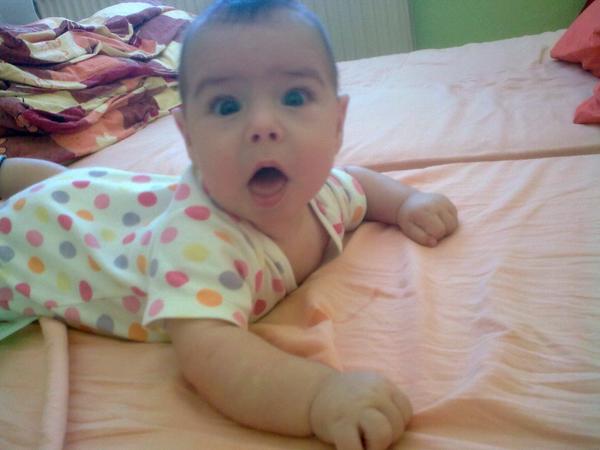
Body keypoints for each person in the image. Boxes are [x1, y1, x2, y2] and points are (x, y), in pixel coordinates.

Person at [0, 1, 458, 448]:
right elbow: (210, 354)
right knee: (45, 195)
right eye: (226, 106)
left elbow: (358, 184)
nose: (262, 125)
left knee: (58, 183)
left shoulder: (321, 193)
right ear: (189, 139)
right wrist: (318, 395)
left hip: (87, 195)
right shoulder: (199, 242)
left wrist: (408, 202)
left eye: (294, 98)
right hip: (29, 242)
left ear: (337, 125)